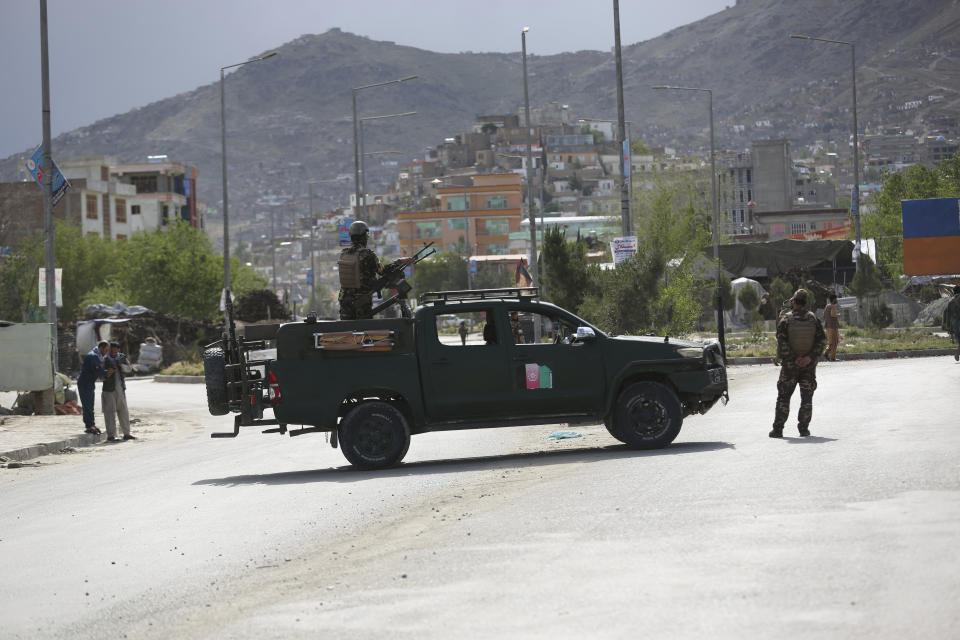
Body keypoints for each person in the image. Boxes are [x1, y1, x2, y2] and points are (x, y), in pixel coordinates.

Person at [770, 289, 826, 438]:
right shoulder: (814, 319)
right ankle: (804, 429)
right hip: (808, 366)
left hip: (790, 366)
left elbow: (782, 342)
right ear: (806, 302)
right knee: (806, 399)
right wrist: (809, 357)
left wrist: (794, 358)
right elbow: (822, 341)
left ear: (794, 302)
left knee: (783, 397)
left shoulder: (786, 319)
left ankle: (778, 430)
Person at [337, 220, 384, 320]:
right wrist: (398, 263)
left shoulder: (344, 254)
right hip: (361, 302)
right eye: (366, 235)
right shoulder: (368, 254)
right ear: (363, 237)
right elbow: (382, 271)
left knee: (347, 333)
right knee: (363, 333)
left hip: (345, 302)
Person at [102, 342, 134, 442]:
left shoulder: (122, 358)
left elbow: (129, 369)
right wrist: (107, 373)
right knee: (110, 412)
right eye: (112, 351)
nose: (114, 353)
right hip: (108, 389)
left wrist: (122, 366)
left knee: (123, 411)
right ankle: (111, 435)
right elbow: (99, 374)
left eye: (116, 351)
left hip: (120, 388)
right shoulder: (104, 359)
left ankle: (126, 433)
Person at [78, 341, 108, 434]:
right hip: (85, 383)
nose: (106, 352)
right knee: (88, 405)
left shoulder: (96, 355)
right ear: (101, 348)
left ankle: (91, 424)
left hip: (89, 383)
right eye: (106, 350)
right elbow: (98, 370)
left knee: (89, 405)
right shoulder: (93, 356)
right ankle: (89, 425)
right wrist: (108, 372)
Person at [943, 284, 960, 362]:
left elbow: (947, 314)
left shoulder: (951, 302)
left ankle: (957, 351)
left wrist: (947, 326)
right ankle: (957, 351)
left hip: (955, 323)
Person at [823, 293, 841, 361]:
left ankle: (827, 353)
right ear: (833, 299)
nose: (836, 300)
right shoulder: (833, 306)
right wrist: (838, 315)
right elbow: (833, 314)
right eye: (836, 299)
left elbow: (824, 314)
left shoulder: (827, 306)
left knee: (831, 342)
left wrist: (828, 320)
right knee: (835, 342)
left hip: (828, 326)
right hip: (833, 326)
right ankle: (832, 357)